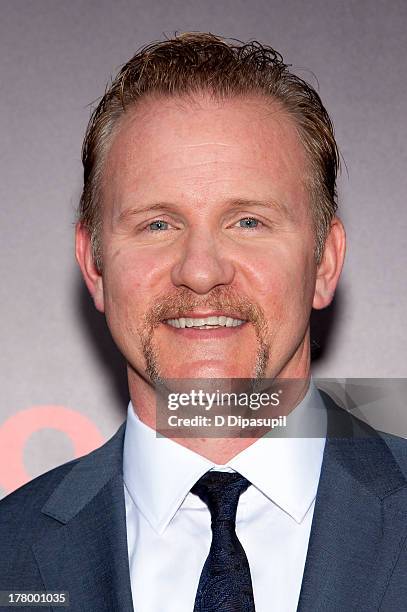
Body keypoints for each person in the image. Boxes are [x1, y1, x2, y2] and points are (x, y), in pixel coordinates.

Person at [1, 32, 407, 612]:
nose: (199, 272)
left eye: (247, 222)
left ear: (324, 262)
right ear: (93, 265)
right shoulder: (9, 556)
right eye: (157, 225)